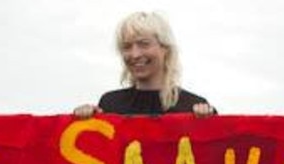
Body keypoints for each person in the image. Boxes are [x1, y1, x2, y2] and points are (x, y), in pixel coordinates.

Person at [73, 11, 214, 118]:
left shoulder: (192, 107)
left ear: (165, 48)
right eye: (127, 46)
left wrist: (208, 123)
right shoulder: (110, 104)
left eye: (144, 44)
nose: (135, 54)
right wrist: (83, 120)